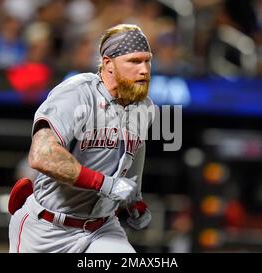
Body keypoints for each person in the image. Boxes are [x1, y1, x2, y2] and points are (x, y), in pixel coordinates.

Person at [8, 24, 154, 253]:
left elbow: (132, 157)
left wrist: (134, 201)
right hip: (47, 229)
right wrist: (106, 184)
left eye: (147, 61)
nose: (144, 70)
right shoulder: (77, 92)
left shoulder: (144, 107)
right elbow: (41, 156)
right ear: (108, 64)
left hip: (102, 228)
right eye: (134, 62)